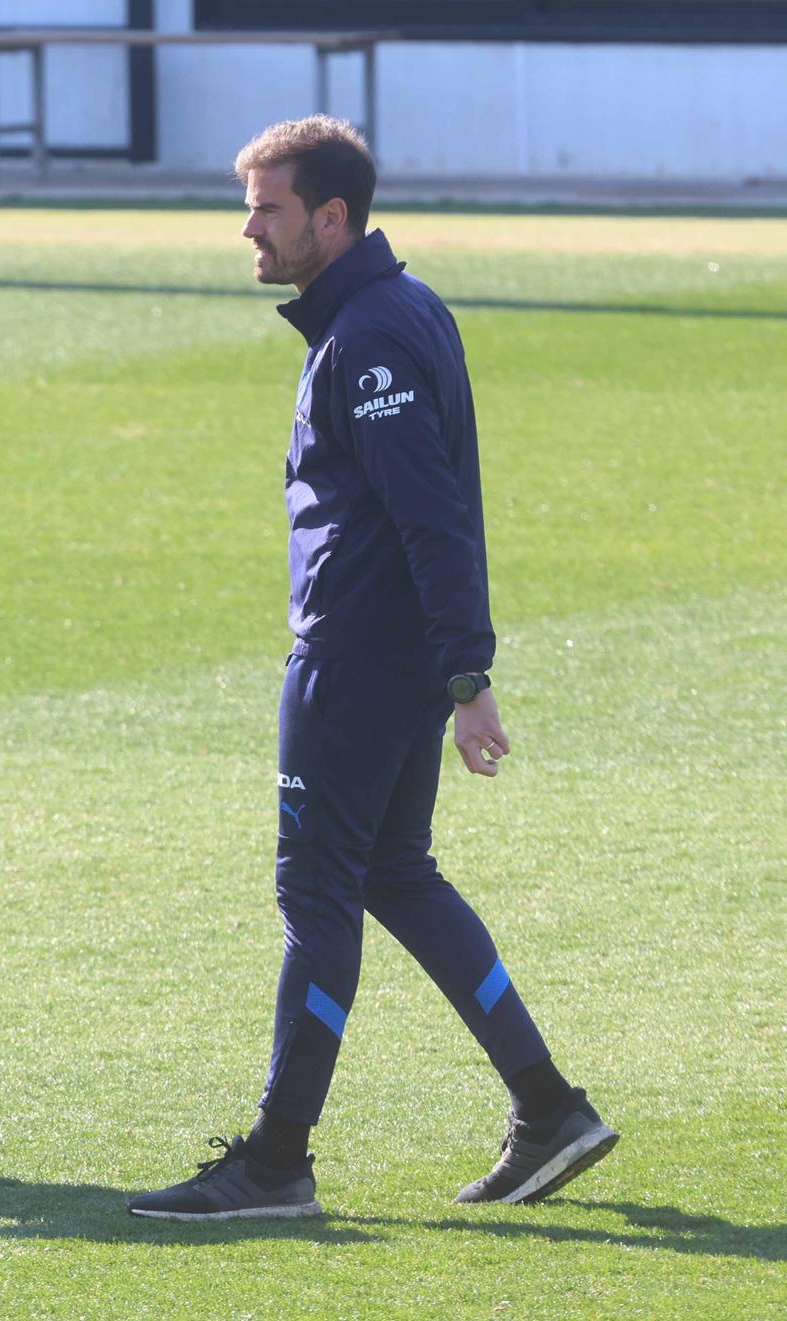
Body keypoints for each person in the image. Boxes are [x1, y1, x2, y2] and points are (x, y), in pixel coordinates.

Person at [129, 117, 618, 1219]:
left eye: (266, 207)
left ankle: (274, 1158)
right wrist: (448, 668)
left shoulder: (368, 339)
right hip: (388, 660)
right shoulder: (394, 310)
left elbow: (428, 513)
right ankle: (548, 1108)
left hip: (353, 662)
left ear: (330, 216)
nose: (247, 227)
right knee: (393, 873)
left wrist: (466, 675)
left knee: (314, 895)